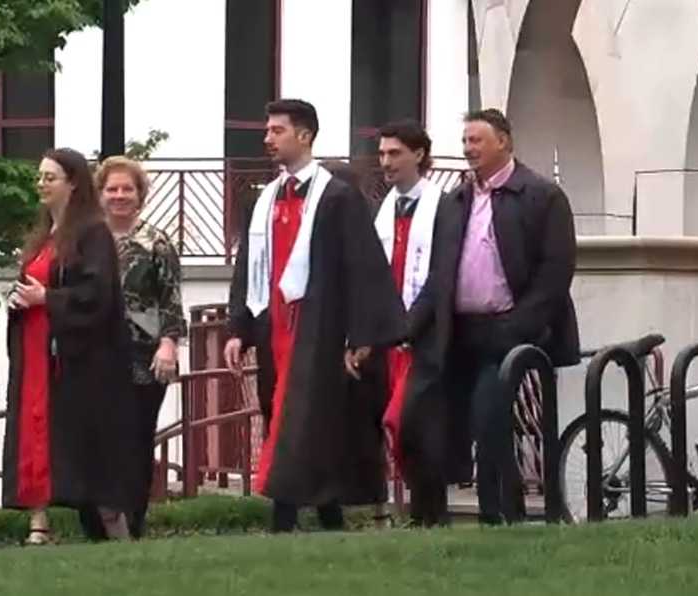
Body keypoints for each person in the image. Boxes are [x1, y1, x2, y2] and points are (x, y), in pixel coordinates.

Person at [224, 99, 406, 533]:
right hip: (274, 327)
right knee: (280, 415)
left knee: (311, 421)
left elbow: (362, 268)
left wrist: (361, 335)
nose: (267, 138)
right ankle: (326, 516)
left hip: (319, 328)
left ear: (303, 135)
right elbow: (250, 265)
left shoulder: (338, 197)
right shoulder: (266, 198)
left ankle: (284, 518)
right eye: (268, 130)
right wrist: (238, 328)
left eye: (276, 130)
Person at [401, 109, 580, 526]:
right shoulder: (457, 200)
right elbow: (439, 273)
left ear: (504, 142)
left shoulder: (541, 196)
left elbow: (555, 272)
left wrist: (518, 328)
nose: (468, 150)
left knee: (489, 419)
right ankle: (429, 516)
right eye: (465, 142)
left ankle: (497, 516)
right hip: (457, 332)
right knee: (422, 417)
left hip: (506, 334)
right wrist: (408, 328)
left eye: (476, 141)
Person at [2, 147, 139, 545]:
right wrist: (20, 300)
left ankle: (117, 533)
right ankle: (38, 525)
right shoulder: (43, 236)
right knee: (34, 435)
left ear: (73, 183)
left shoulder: (93, 233)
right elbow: (35, 286)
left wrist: (49, 299)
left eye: (50, 177)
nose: (42, 184)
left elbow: (98, 294)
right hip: (37, 352)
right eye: (40, 177)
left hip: (79, 361)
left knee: (89, 451)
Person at [96, 156, 186, 539]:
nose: (119, 196)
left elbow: (171, 300)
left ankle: (133, 521)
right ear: (100, 195)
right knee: (100, 440)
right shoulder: (87, 241)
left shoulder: (157, 242)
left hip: (144, 356)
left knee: (135, 439)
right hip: (96, 355)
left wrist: (168, 344)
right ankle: (101, 521)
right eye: (112, 189)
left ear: (140, 195)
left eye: (126, 189)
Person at [371, 120, 444, 526]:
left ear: (418, 154)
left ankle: (429, 512)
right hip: (391, 335)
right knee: (399, 426)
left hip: (424, 334)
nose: (386, 162)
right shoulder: (387, 209)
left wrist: (412, 325)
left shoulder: (442, 205)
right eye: (382, 154)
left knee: (415, 423)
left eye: (394, 153)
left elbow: (439, 274)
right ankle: (418, 514)